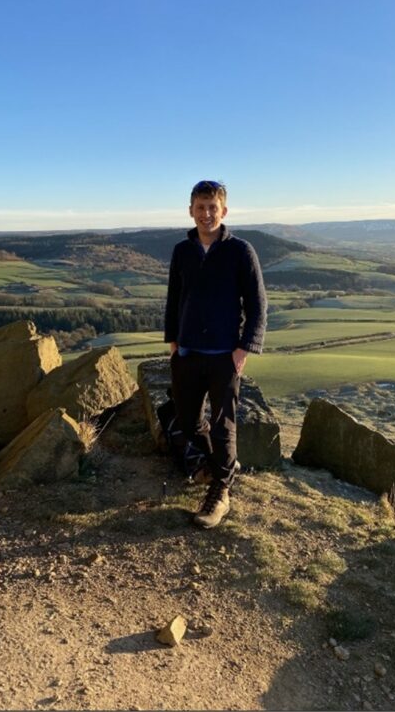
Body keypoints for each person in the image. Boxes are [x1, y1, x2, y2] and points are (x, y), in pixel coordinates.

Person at [164, 180, 267, 528]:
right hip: (188, 350)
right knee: (189, 420)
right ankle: (223, 466)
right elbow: (174, 299)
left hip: (225, 352)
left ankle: (220, 491)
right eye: (200, 207)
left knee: (223, 425)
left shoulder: (241, 250)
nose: (206, 214)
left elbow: (257, 303)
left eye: (213, 207)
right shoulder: (182, 251)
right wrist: (173, 342)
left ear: (224, 211)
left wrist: (245, 347)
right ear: (190, 210)